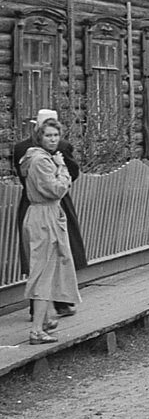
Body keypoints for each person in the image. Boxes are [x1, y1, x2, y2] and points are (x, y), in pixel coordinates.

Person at [12, 108, 87, 320]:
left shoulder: (21, 149)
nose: (53, 139)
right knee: (57, 253)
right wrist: (60, 170)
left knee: (36, 256)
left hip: (30, 202)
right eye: (49, 133)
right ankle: (57, 304)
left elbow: (22, 176)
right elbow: (72, 174)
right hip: (53, 203)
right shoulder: (56, 149)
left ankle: (41, 308)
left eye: (55, 134)